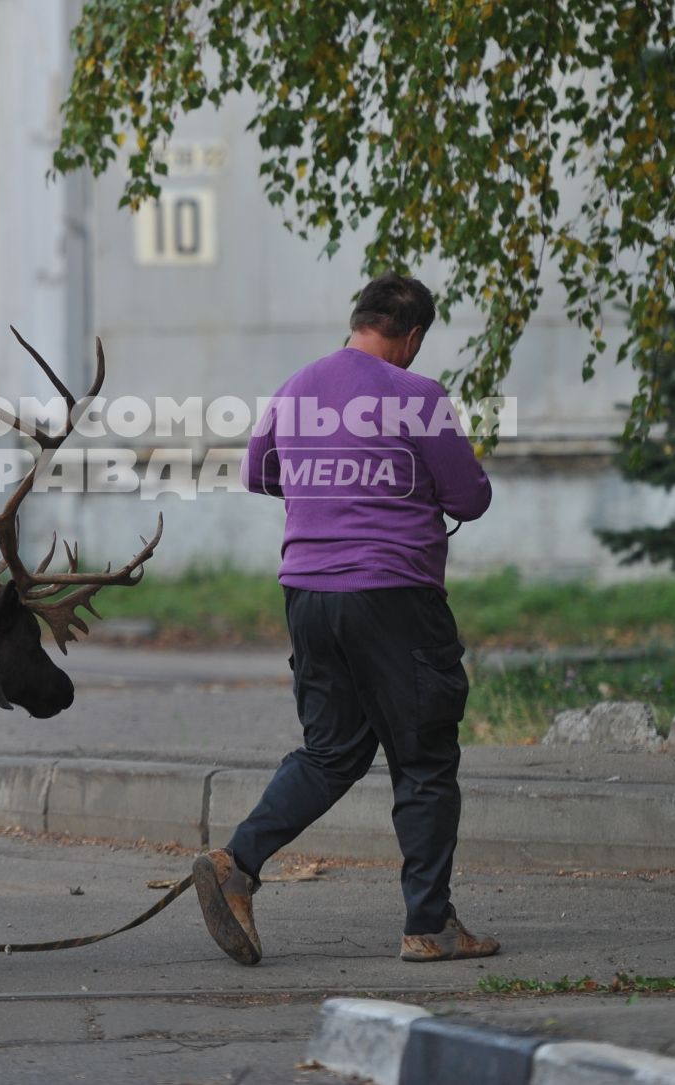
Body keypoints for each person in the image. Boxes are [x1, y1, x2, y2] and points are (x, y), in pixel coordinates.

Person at [191, 273, 500, 965]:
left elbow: (259, 473)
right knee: (422, 757)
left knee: (331, 750)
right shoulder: (420, 397)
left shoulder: (297, 387)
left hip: (307, 592)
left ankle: (237, 862)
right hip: (393, 595)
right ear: (413, 336)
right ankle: (430, 925)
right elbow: (469, 496)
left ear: (358, 319)